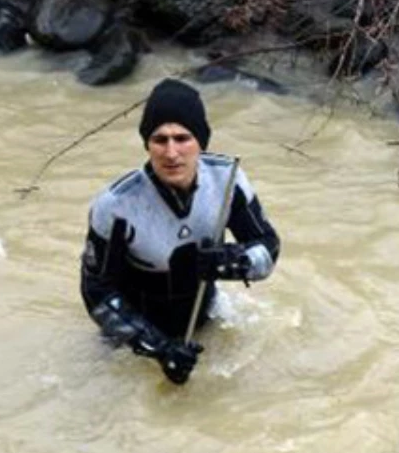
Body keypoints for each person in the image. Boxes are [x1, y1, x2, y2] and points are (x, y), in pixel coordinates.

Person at [79, 78, 280, 384]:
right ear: (147, 144)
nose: (171, 153)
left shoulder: (229, 180)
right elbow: (97, 292)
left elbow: (268, 245)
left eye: (182, 138)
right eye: (160, 139)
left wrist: (234, 261)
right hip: (135, 340)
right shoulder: (116, 206)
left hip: (206, 318)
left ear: (201, 140)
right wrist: (156, 348)